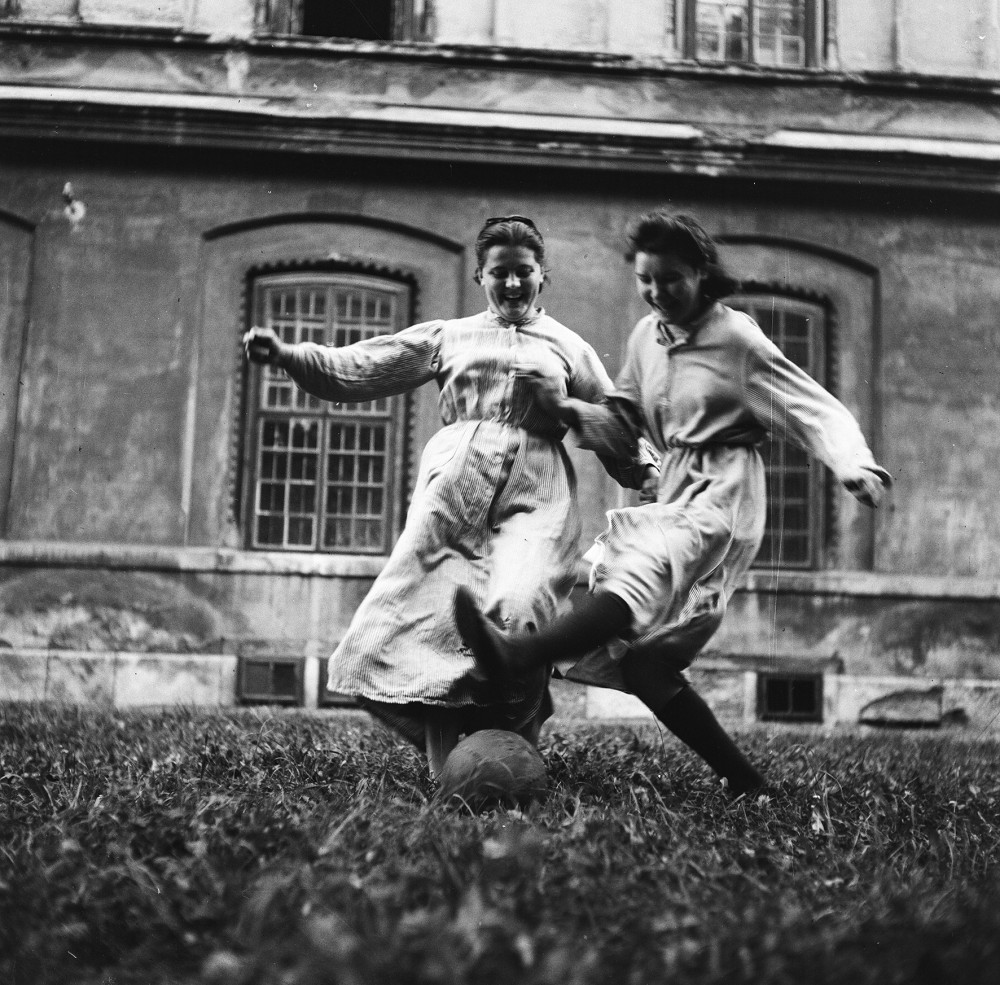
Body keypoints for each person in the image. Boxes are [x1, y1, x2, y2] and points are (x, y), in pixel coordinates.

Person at [455, 210, 892, 796]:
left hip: (725, 492)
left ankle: (519, 655)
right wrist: (566, 410)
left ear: (701, 273)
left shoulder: (736, 339)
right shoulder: (646, 337)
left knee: (638, 572)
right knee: (646, 664)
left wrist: (851, 462)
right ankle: (749, 785)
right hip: (676, 491)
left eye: (672, 280)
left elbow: (812, 407)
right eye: (646, 281)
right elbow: (623, 418)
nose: (658, 293)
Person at [243, 215, 654, 776]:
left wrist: (645, 471)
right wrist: (289, 354)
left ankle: (514, 756)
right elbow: (362, 365)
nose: (512, 284)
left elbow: (612, 421)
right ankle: (452, 767)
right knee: (420, 623)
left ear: (543, 277)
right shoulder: (448, 335)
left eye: (524, 273)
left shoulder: (568, 347)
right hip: (451, 495)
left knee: (521, 607)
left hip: (537, 496)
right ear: (482, 276)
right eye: (499, 273)